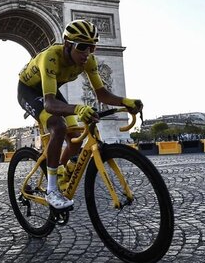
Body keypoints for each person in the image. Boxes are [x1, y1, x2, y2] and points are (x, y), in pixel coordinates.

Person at [17, 19, 143, 209]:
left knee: (75, 139)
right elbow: (50, 104)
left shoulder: (89, 61)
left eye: (92, 47)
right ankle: (52, 190)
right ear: (67, 45)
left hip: (50, 90)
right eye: (82, 47)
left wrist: (125, 101)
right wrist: (78, 108)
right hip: (29, 91)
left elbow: (102, 94)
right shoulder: (50, 57)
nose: (87, 53)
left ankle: (59, 170)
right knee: (58, 127)